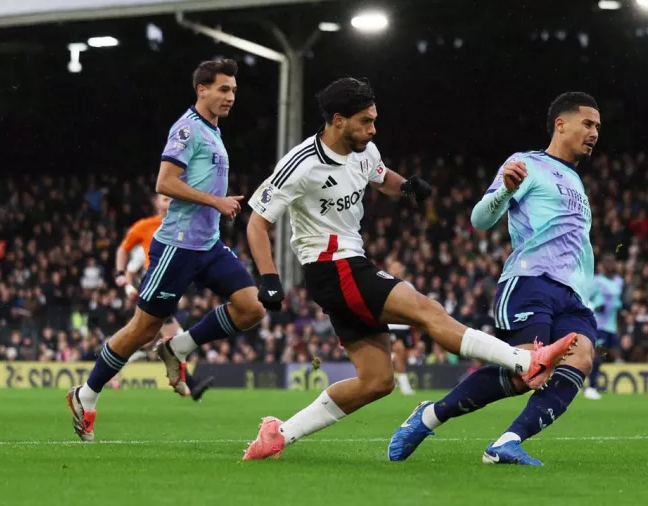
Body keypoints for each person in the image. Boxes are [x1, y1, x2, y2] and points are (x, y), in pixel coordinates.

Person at [240, 78, 578, 461]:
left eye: (374, 121)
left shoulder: (363, 150)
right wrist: (268, 278)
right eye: (365, 121)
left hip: (350, 265)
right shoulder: (301, 164)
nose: (373, 129)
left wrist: (407, 187)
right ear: (337, 120)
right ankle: (525, 360)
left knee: (377, 381)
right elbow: (257, 222)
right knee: (428, 311)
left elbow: (381, 176)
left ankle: (279, 434)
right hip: (332, 267)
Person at [388, 92, 601, 466]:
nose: (595, 132)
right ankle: (430, 415)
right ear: (561, 124)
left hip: (574, 296)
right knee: (526, 372)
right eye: (588, 123)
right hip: (530, 282)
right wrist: (505, 189)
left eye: (598, 126)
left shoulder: (577, 183)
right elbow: (480, 220)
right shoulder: (526, 164)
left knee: (580, 358)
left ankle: (507, 442)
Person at [67, 59, 265, 441]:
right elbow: (164, 183)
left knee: (252, 306)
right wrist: (216, 201)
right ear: (201, 89)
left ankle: (178, 348)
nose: (231, 96)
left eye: (234, 90)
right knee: (143, 329)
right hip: (177, 246)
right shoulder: (188, 129)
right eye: (223, 89)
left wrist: (215, 204)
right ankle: (85, 395)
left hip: (208, 245)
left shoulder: (213, 130)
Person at [112, 194, 214, 401]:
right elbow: (123, 250)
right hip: (155, 285)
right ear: (156, 203)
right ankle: (191, 385)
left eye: (171, 199)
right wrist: (121, 275)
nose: (169, 202)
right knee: (172, 336)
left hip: (172, 287)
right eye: (164, 199)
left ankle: (109, 369)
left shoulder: (183, 224)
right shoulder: (145, 226)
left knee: (144, 339)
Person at [585, 253, 623, 400]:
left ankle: (608, 384)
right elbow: (587, 298)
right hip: (599, 325)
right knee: (598, 354)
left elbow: (618, 303)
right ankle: (591, 387)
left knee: (617, 354)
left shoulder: (619, 281)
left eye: (612, 261)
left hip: (612, 326)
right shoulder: (597, 281)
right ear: (602, 265)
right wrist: (595, 305)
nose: (611, 264)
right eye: (607, 261)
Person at [387, 261, 415, 395]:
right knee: (400, 350)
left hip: (406, 327)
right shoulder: (384, 285)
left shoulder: (408, 286)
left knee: (404, 356)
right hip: (392, 326)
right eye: (394, 268)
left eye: (398, 268)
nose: (396, 271)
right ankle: (405, 387)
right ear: (389, 269)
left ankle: (391, 359)